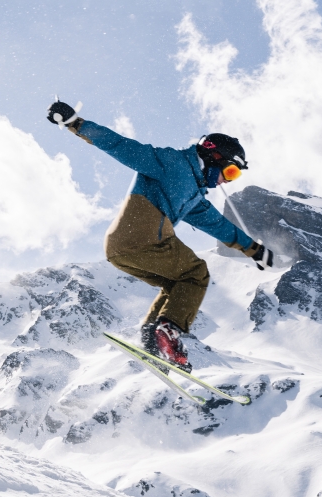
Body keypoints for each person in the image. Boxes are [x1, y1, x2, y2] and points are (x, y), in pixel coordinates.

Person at [48, 100, 273, 372]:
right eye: (231, 172)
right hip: (142, 237)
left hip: (118, 248)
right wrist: (76, 124)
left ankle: (152, 343)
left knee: (177, 284)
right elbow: (121, 146)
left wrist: (253, 249)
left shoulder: (194, 195)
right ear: (215, 158)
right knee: (196, 273)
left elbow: (218, 225)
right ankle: (168, 332)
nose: (227, 181)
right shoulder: (170, 162)